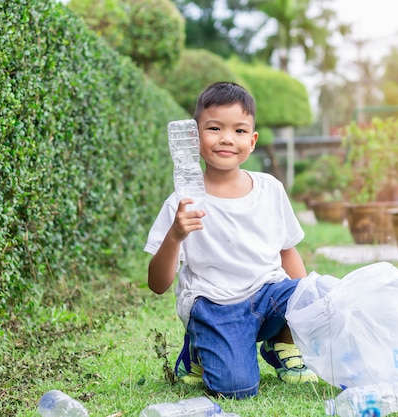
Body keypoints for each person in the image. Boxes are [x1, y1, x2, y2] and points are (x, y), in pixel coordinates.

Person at [144, 81, 317, 399]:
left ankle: (282, 342)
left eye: (239, 131)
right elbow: (157, 283)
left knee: (318, 292)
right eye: (214, 128)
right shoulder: (183, 203)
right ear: (195, 137)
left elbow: (287, 251)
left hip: (268, 296)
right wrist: (176, 235)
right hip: (216, 306)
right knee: (237, 388)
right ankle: (199, 348)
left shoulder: (270, 189)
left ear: (252, 141)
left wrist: (303, 308)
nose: (226, 138)